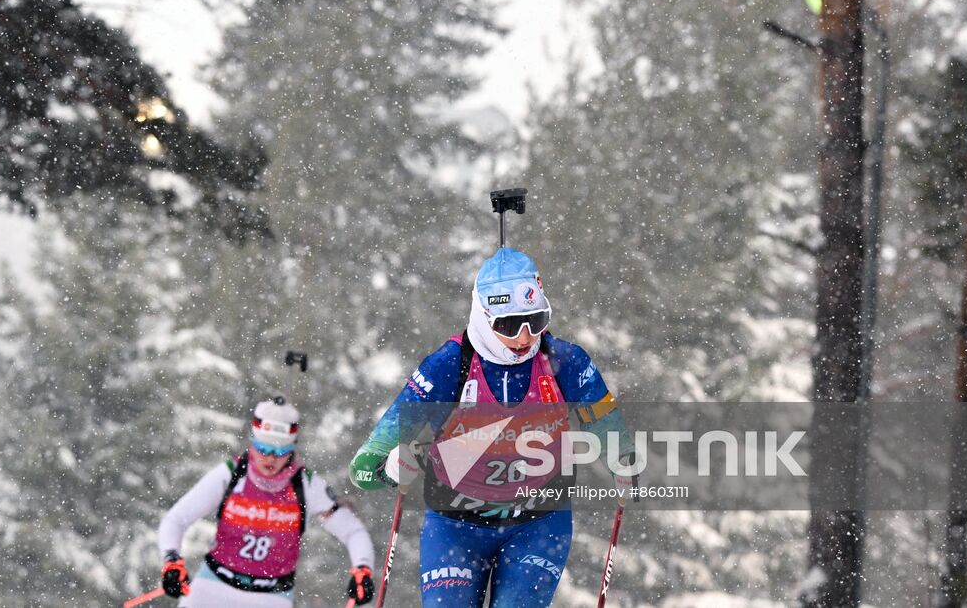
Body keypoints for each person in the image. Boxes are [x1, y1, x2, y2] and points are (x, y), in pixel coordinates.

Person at [350, 248, 635, 608]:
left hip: (538, 524)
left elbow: (607, 425)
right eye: (509, 325)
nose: (524, 337)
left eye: (535, 320)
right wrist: (389, 468)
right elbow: (362, 470)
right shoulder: (447, 367)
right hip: (455, 526)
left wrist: (623, 460)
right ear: (483, 317)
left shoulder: (565, 361)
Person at [159, 397, 377, 607]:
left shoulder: (306, 484)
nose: (271, 458)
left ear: (292, 449)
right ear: (253, 442)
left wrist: (363, 569)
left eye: (281, 451)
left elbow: (353, 531)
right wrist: (171, 561)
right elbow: (176, 519)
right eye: (264, 448)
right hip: (213, 586)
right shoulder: (231, 473)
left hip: (272, 596)